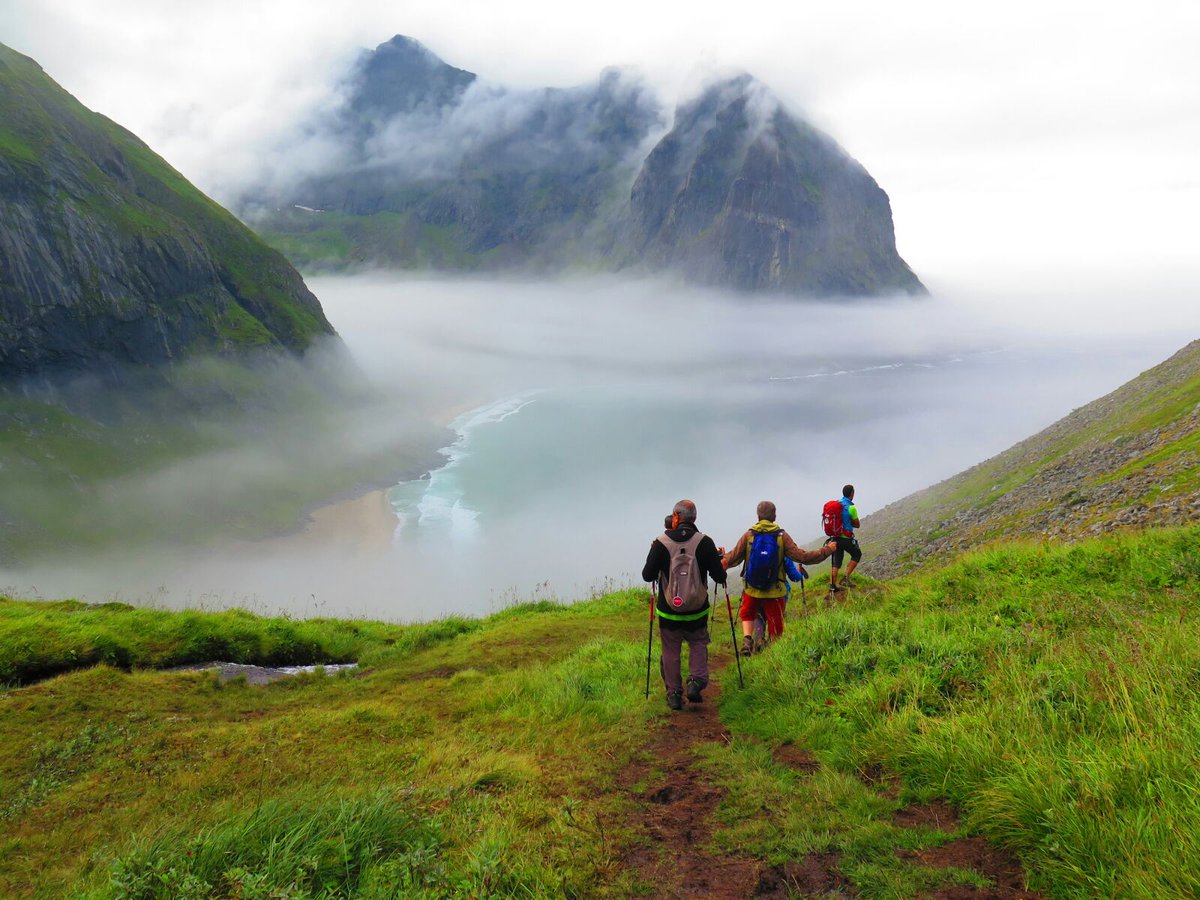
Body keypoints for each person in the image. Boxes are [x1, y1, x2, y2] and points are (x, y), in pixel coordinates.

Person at [643, 499, 727, 710]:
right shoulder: (705, 542)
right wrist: (718, 559)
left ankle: (673, 694)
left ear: (677, 517)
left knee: (670, 650)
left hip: (669, 611)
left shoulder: (660, 542)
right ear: (695, 518)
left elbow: (647, 575)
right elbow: (719, 576)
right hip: (697, 611)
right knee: (698, 643)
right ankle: (695, 682)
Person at [722, 501, 836, 656]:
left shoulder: (749, 535)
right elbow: (802, 556)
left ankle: (748, 639)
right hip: (775, 591)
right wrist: (827, 550)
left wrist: (719, 561)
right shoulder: (781, 536)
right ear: (774, 515)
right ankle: (773, 657)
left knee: (748, 614)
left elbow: (732, 558)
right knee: (776, 626)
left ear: (758, 515)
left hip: (752, 589)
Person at [751, 558, 806, 653]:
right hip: (777, 593)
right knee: (775, 618)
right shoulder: (782, 548)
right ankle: (773, 646)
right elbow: (795, 577)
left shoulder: (753, 547)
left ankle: (759, 639)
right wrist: (800, 574)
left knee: (758, 616)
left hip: (756, 591)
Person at [830, 484, 862, 592]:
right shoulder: (851, 508)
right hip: (846, 538)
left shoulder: (836, 504)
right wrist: (849, 523)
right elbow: (857, 524)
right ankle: (845, 578)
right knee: (857, 554)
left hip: (835, 538)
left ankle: (832, 586)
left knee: (836, 562)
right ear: (852, 494)